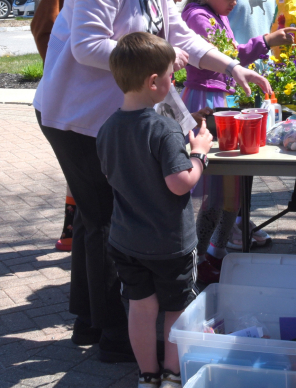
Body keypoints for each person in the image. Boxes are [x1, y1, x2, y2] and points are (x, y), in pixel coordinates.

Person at [34, 0, 271, 362]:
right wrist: (157, 58)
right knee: (105, 220)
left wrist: (229, 66)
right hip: (74, 116)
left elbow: (176, 30)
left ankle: (90, 319)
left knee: (96, 218)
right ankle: (113, 336)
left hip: (112, 115)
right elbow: (86, 46)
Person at [96, 32, 213, 388]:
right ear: (153, 82)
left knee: (141, 308)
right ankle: (172, 374)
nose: (172, 82)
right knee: (175, 309)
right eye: (169, 76)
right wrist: (200, 153)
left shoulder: (106, 128)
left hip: (126, 241)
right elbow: (180, 182)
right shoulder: (163, 128)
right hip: (169, 243)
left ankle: (147, 376)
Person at [180, 0, 296, 283]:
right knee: (217, 190)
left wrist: (267, 42)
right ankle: (200, 257)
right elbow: (226, 55)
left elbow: (231, 54)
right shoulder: (198, 17)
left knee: (232, 190)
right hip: (207, 103)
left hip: (225, 102)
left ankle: (214, 253)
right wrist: (260, 45)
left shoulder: (216, 14)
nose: (235, 3)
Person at [29, 0, 120, 253]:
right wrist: (61, 68)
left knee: (90, 183)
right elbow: (44, 28)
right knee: (85, 181)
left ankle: (74, 232)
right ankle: (72, 231)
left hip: (98, 96)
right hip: (71, 94)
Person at [223, 0, 295, 249]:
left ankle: (241, 218)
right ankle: (231, 224)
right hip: (231, 74)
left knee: (255, 149)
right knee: (236, 153)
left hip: (264, 75)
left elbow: (276, 22)